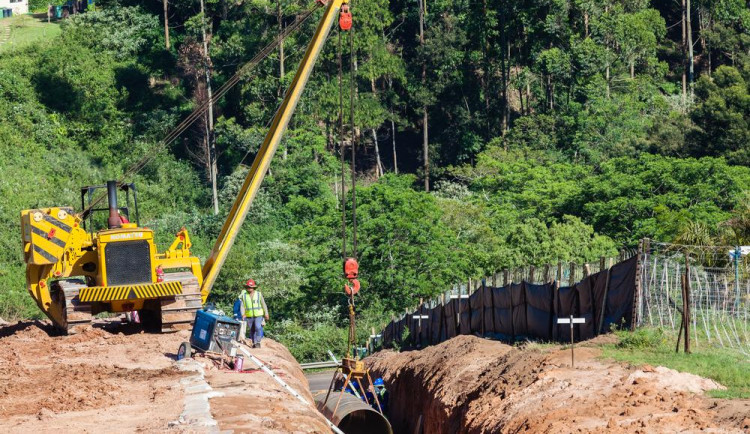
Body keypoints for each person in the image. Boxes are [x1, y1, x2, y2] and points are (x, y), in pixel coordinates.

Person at [238, 279, 269, 348]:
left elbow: (263, 304)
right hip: (249, 315)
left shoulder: (258, 294)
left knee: (258, 327)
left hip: (258, 315)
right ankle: (254, 342)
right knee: (252, 329)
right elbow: (242, 306)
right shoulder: (244, 295)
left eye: (251, 287)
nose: (249, 288)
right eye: (248, 287)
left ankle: (258, 342)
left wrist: (266, 313)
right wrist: (243, 314)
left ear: (253, 287)